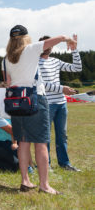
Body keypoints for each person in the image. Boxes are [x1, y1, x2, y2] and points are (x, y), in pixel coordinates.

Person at [3, 24, 76, 195]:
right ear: (26, 37)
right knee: (41, 143)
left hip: (16, 102)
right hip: (35, 99)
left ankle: (25, 181)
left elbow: (7, 82)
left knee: (23, 141)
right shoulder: (31, 49)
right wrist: (67, 38)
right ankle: (44, 185)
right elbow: (54, 40)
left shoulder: (7, 58)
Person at [38, 34, 82, 172]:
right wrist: (62, 89)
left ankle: (65, 163)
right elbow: (41, 84)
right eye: (44, 44)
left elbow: (77, 68)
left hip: (61, 103)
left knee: (62, 135)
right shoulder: (34, 63)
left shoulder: (56, 61)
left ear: (52, 46)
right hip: (46, 103)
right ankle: (47, 164)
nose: (47, 47)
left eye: (49, 44)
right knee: (46, 135)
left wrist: (74, 50)